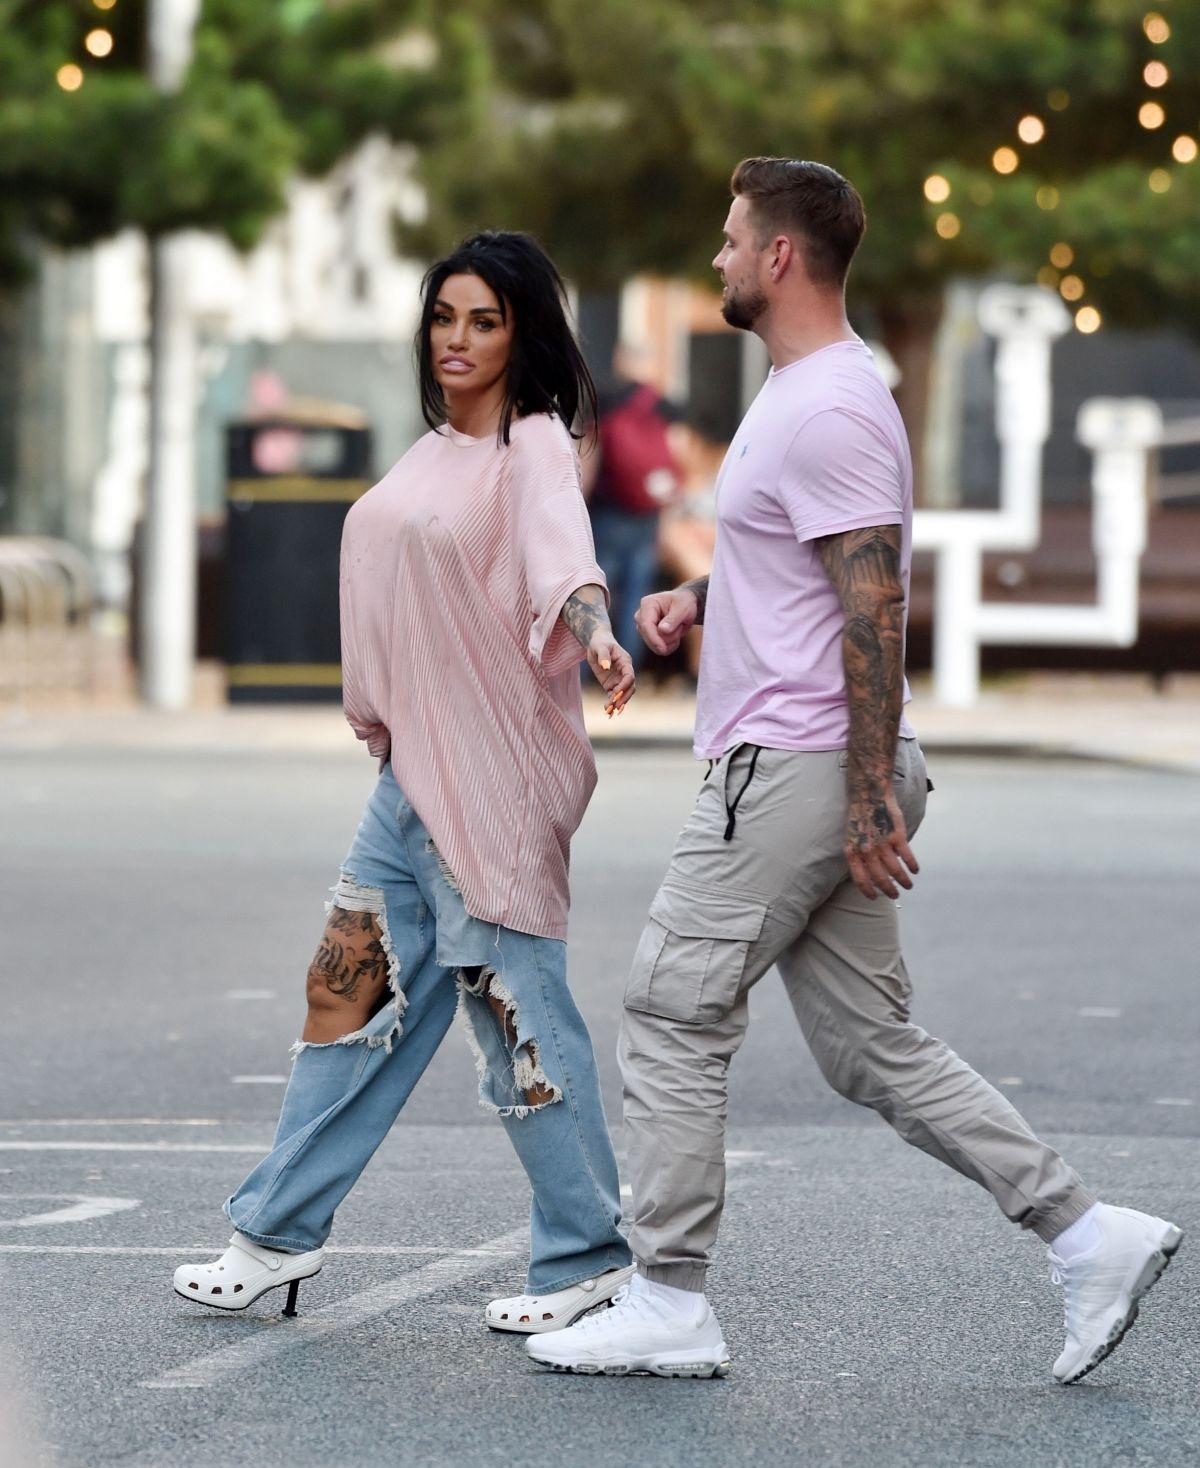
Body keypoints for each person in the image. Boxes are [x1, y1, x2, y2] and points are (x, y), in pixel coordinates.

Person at [529, 159, 1182, 1381]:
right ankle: (1088, 1233)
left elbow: (874, 603)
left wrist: (874, 789)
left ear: (781, 257)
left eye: (731, 240)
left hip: (799, 768)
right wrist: (699, 597)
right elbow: (809, 574)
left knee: (673, 1008)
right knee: (870, 1047)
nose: (718, 257)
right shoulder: (808, 396)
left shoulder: (827, 405)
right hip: (823, 761)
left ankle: (669, 1297)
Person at [173, 232, 638, 1333]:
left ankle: (586, 1257)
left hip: (493, 781)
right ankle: (273, 1237)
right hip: (408, 782)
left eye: (484, 320)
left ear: (523, 330)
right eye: (444, 318)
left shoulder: (530, 445)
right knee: (345, 993)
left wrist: (595, 627)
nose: (458, 342)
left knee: (518, 1017)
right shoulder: (431, 449)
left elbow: (558, 547)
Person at [582, 345, 684, 665]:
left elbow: (589, 456)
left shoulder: (604, 398)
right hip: (646, 514)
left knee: (596, 595)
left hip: (607, 512)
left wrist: (577, 503)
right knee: (638, 597)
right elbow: (676, 455)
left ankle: (590, 670)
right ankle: (628, 670)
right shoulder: (661, 404)